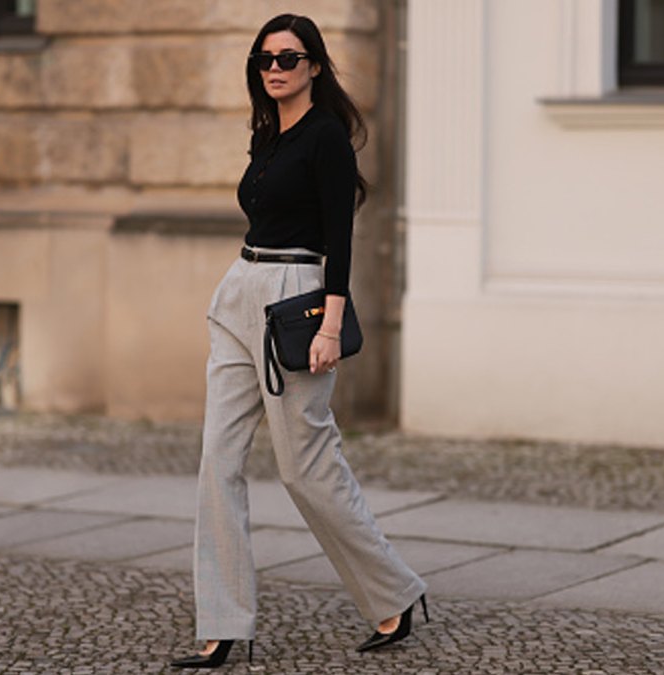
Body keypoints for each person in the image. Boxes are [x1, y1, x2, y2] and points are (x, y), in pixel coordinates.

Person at [170, 13, 428, 670]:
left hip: (297, 299)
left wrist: (332, 326)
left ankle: (394, 592)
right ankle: (223, 622)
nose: (276, 67)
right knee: (216, 461)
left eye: (289, 56)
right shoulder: (268, 135)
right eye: (265, 58)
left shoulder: (326, 140)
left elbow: (339, 239)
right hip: (239, 291)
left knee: (304, 466)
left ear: (315, 64)